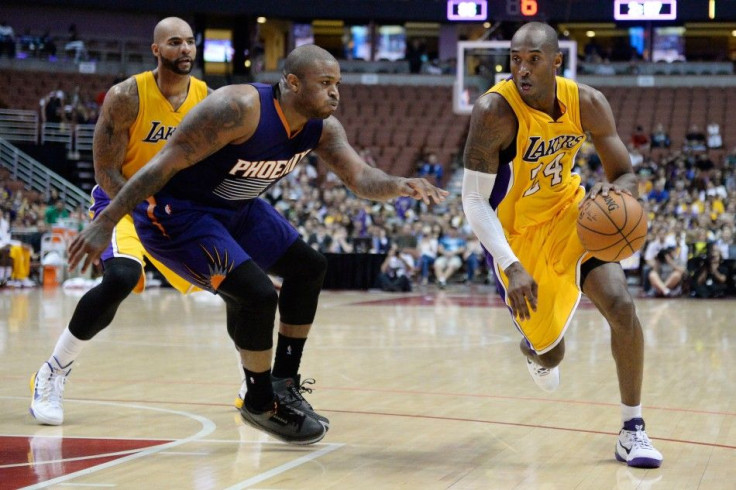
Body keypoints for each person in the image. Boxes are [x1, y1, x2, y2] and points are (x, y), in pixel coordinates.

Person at [66, 44, 448, 445]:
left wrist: (398, 186)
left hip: (237, 209)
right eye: (326, 84)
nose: (336, 93)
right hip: (179, 215)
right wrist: (107, 220)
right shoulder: (239, 108)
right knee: (258, 294)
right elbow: (164, 162)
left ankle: (284, 384)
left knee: (309, 266)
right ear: (293, 83)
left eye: (337, 84)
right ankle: (259, 401)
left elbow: (360, 177)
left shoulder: (323, 128)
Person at [461, 22, 662, 468]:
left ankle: (633, 430)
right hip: (516, 237)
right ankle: (534, 352)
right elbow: (473, 199)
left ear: (556, 61)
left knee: (621, 305)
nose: (523, 69)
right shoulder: (494, 110)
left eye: (534, 59)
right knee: (552, 353)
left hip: (571, 215)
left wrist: (613, 195)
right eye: (516, 59)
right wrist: (510, 264)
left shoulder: (587, 102)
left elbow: (624, 173)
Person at [29, 17, 210, 427]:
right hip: (122, 202)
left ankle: (253, 386)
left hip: (174, 209)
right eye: (175, 42)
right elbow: (105, 170)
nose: (185, 49)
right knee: (122, 278)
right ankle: (53, 371)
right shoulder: (127, 96)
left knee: (234, 280)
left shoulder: (206, 98)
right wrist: (136, 204)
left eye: (190, 43)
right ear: (157, 50)